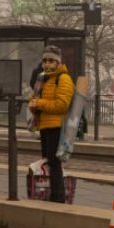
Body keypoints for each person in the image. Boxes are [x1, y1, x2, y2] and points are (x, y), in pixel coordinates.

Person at [28, 47, 74, 202]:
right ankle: (50, 194)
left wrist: (39, 103)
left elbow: (62, 105)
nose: (47, 64)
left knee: (54, 164)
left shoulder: (63, 79)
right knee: (47, 162)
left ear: (58, 62)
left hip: (57, 126)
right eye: (45, 60)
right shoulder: (42, 78)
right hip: (44, 125)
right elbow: (34, 96)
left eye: (51, 60)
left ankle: (58, 198)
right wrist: (32, 103)